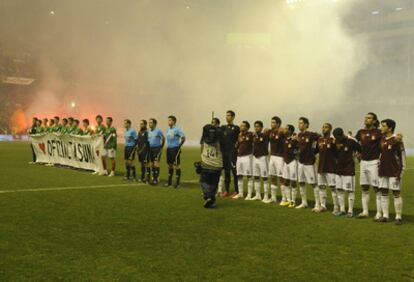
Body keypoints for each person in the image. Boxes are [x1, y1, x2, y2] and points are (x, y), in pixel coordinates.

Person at [354, 112, 383, 219]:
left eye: (369, 118)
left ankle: (379, 213)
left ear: (374, 120)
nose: (366, 119)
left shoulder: (379, 132)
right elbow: (354, 142)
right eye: (365, 117)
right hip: (363, 163)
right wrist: (357, 152)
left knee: (377, 188)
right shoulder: (360, 132)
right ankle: (365, 211)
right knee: (364, 187)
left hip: (374, 162)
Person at [378, 119, 405, 225]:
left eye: (383, 126)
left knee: (396, 193)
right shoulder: (382, 139)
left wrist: (400, 173)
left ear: (390, 128)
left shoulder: (397, 140)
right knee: (383, 193)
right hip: (383, 172)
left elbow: (402, 158)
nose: (381, 128)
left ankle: (398, 217)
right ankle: (385, 216)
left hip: (394, 172)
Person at [333, 127, 360, 217]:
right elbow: (335, 154)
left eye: (338, 137)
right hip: (338, 169)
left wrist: (356, 156)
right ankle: (342, 210)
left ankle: (350, 211)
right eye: (336, 138)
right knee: (339, 190)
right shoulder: (335, 141)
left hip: (349, 169)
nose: (338, 139)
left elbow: (360, 149)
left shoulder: (351, 141)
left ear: (342, 134)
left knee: (350, 191)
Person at [296, 117, 320, 211]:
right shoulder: (299, 135)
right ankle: (304, 202)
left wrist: (315, 151)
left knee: (313, 183)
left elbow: (320, 140)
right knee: (301, 182)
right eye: (299, 123)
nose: (299, 125)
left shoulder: (312, 134)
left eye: (301, 123)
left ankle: (317, 204)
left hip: (309, 162)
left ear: (306, 124)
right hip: (300, 162)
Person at [198, 124, 224, 208]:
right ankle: (211, 200)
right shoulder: (220, 140)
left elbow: (201, 150)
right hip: (217, 165)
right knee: (214, 184)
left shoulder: (203, 140)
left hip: (206, 164)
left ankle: (208, 197)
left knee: (203, 181)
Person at [316, 123, 337, 213]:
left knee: (333, 188)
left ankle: (336, 207)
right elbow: (315, 151)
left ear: (330, 129)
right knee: (321, 187)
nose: (323, 129)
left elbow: (338, 153)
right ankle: (323, 206)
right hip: (321, 167)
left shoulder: (333, 140)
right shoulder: (319, 140)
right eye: (323, 127)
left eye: (326, 127)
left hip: (331, 167)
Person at [218, 110, 240, 197]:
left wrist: (236, 147)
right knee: (226, 172)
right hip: (224, 153)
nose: (227, 117)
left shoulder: (236, 128)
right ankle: (226, 190)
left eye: (229, 115)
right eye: (226, 115)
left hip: (232, 153)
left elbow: (240, 138)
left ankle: (236, 191)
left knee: (234, 172)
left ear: (233, 117)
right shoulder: (223, 127)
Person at [267, 116, 285, 204]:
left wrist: (284, 131)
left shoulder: (281, 132)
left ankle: (284, 199)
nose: (271, 124)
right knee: (273, 177)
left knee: (281, 178)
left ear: (278, 124)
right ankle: (273, 198)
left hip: (280, 157)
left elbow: (287, 134)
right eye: (271, 122)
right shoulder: (270, 132)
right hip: (272, 157)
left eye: (273, 122)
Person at [165, 115, 186, 188]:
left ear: (174, 121)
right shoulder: (168, 130)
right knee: (170, 165)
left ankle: (177, 183)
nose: (169, 121)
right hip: (169, 149)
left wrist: (179, 146)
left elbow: (183, 138)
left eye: (170, 120)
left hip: (175, 149)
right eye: (168, 120)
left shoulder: (177, 130)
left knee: (176, 166)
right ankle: (169, 182)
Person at [281, 124, 299, 208]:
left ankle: (293, 201)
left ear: (290, 131)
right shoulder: (284, 139)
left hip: (293, 162)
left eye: (286, 128)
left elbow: (298, 150)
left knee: (293, 181)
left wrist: (295, 154)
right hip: (285, 162)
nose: (284, 129)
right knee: (286, 181)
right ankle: (288, 200)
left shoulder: (295, 140)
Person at [252, 121, 270, 202]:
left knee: (265, 177)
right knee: (256, 176)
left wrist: (268, 130)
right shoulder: (254, 136)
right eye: (255, 126)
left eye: (258, 126)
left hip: (263, 157)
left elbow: (269, 133)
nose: (256, 128)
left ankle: (266, 195)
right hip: (255, 158)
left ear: (261, 127)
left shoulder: (265, 135)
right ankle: (258, 194)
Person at [235, 121, 253, 199]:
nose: (240, 126)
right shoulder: (239, 135)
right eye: (240, 125)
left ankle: (249, 194)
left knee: (249, 176)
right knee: (239, 175)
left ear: (246, 127)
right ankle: (241, 193)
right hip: (239, 157)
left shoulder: (250, 134)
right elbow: (237, 145)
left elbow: (245, 140)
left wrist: (240, 137)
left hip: (247, 157)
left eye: (242, 125)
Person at [147, 118, 165, 185]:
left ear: (154, 124)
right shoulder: (149, 131)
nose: (149, 124)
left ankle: (155, 179)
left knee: (156, 164)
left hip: (157, 149)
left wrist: (161, 147)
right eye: (149, 123)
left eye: (151, 122)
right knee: (151, 164)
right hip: (150, 149)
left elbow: (163, 138)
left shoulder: (158, 131)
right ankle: (154, 176)